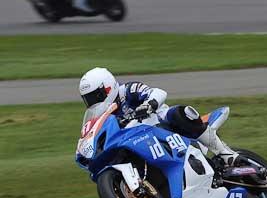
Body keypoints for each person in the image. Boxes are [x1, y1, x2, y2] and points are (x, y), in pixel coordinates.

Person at [78, 67, 238, 168]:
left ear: (107, 88)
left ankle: (225, 153)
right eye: (89, 99)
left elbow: (158, 92)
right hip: (139, 143)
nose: (93, 102)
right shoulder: (103, 116)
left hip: (162, 126)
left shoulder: (127, 90)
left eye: (95, 96)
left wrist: (148, 105)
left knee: (178, 113)